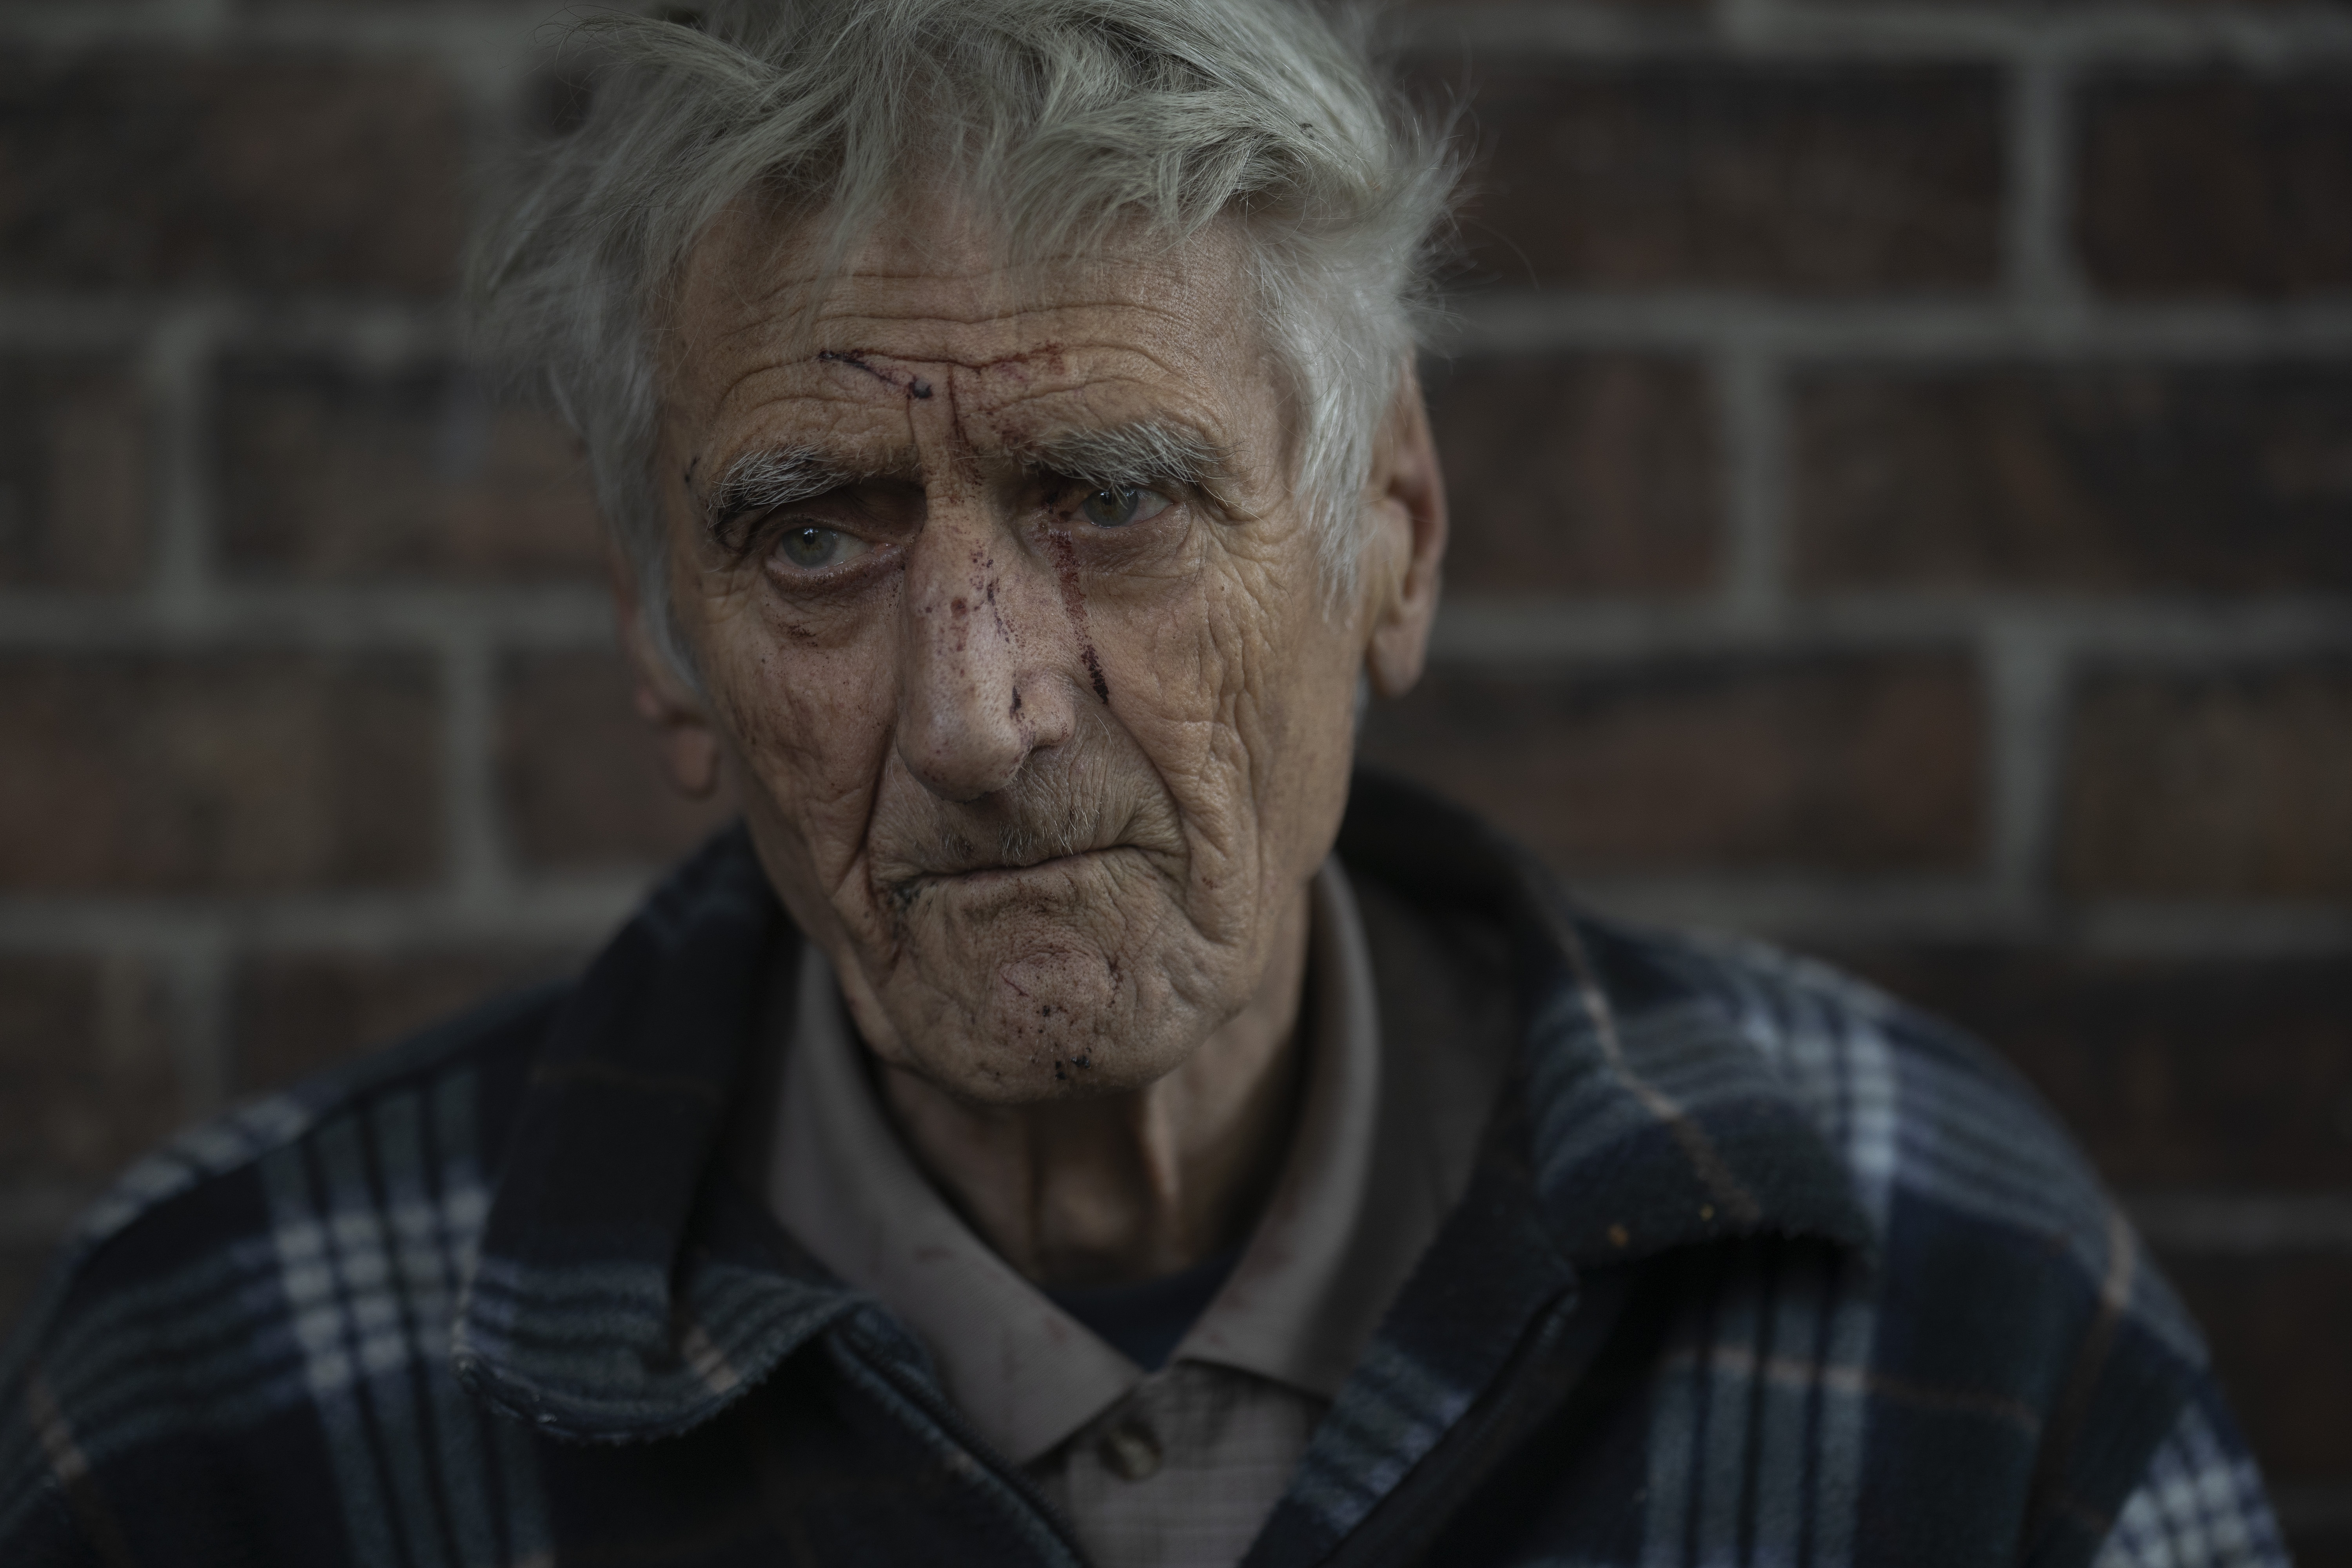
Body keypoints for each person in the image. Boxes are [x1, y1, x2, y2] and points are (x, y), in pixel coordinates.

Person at [0, 1, 2287, 1563]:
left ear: (1383, 533)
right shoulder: (234, 1396)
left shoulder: (1943, 1304)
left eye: (1113, 496)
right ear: (655, 642)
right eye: (814, 533)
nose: (983, 710)